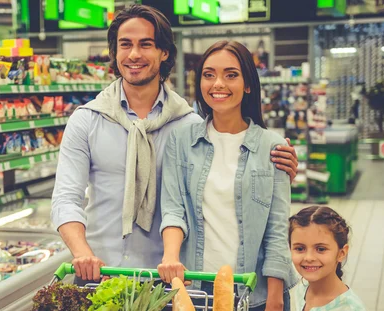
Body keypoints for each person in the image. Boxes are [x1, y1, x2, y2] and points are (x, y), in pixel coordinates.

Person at [50, 5, 298, 284]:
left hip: (168, 280)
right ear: (114, 52)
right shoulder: (87, 120)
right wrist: (83, 254)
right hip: (99, 273)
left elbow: (225, 182)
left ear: (164, 52)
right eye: (125, 45)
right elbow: (66, 198)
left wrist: (273, 165)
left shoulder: (189, 126)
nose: (134, 54)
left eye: (146, 44)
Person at [158, 40, 297, 311]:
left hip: (258, 299)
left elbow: (277, 229)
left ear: (248, 84)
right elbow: (173, 208)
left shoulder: (272, 146)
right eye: (209, 75)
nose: (218, 84)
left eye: (230, 75)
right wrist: (171, 257)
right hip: (199, 297)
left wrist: (276, 306)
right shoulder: (181, 140)